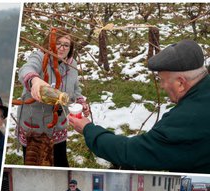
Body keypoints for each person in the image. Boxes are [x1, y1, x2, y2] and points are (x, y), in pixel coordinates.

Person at [69, 39, 210, 173]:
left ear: (180, 83)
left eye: (162, 80)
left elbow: (131, 153)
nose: (161, 86)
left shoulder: (186, 120)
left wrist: (88, 129)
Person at [16, 28, 89, 167]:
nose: (61, 48)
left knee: (60, 162)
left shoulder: (71, 64)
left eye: (66, 45)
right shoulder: (39, 57)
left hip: (58, 124)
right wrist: (34, 81)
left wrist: (80, 101)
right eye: (57, 43)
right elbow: (26, 69)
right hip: (35, 124)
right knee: (35, 163)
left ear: (70, 48)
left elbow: (75, 88)